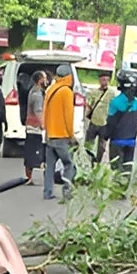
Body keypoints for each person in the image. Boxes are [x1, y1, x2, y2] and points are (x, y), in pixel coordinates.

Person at [43, 64, 78, 201]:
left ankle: (47, 192)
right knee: (69, 164)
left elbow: (45, 112)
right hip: (62, 135)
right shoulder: (66, 92)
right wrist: (71, 135)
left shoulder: (51, 89)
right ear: (69, 76)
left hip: (50, 135)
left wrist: (46, 130)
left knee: (50, 166)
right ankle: (67, 192)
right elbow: (68, 116)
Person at [105, 70, 137, 170]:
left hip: (117, 140)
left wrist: (105, 136)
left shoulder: (115, 102)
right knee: (127, 170)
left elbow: (110, 122)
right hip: (131, 141)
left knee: (116, 169)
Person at [85, 71, 118, 163]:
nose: (105, 82)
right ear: (99, 80)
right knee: (88, 143)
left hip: (105, 123)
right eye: (103, 80)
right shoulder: (94, 92)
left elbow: (114, 107)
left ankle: (98, 162)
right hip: (94, 121)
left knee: (102, 146)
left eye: (107, 80)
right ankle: (89, 160)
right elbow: (89, 105)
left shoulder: (111, 93)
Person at [24, 70, 50, 185]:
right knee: (34, 152)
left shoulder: (34, 91)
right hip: (35, 127)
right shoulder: (37, 94)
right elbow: (38, 111)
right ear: (40, 80)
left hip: (31, 126)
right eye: (45, 78)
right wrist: (43, 125)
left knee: (31, 151)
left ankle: (28, 177)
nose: (47, 81)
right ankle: (29, 177)